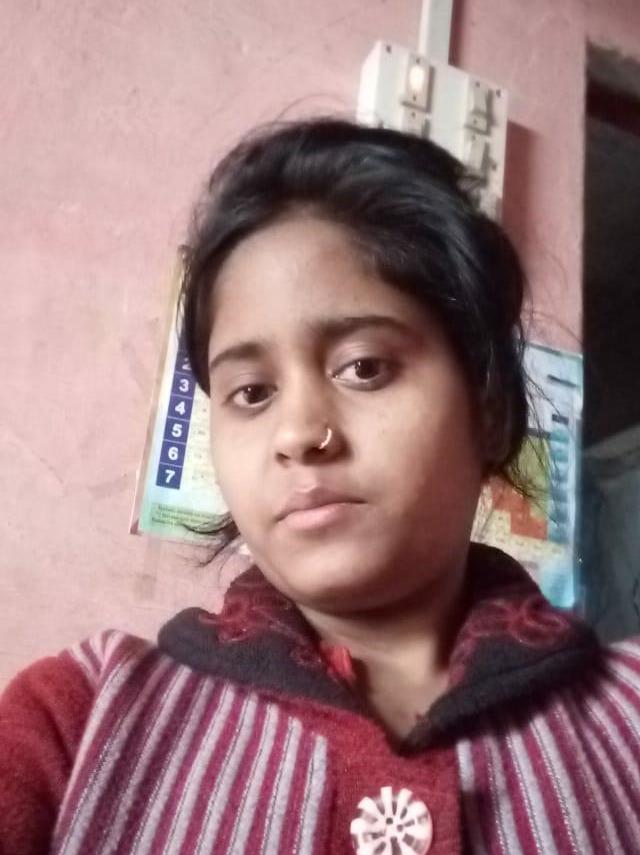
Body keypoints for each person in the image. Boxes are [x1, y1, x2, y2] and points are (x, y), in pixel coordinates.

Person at [1, 118, 639, 855]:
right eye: (251, 392)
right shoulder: (78, 718)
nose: (299, 433)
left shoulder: (626, 716)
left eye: (364, 367)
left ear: (489, 411)